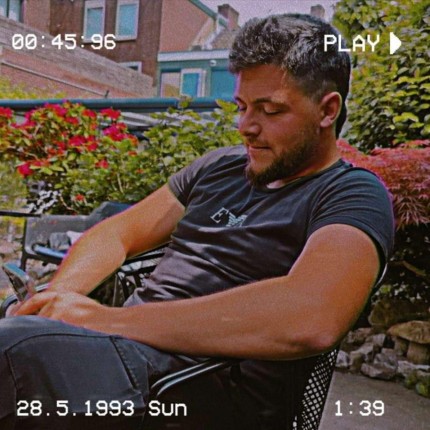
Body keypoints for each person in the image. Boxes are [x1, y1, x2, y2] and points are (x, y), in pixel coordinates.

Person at [0, 13, 394, 430]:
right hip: (124, 361)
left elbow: (310, 316)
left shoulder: (352, 195)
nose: (246, 126)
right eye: (242, 107)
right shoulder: (220, 168)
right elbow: (118, 233)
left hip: (201, 390)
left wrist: (98, 319)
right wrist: (55, 301)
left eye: (270, 110)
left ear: (327, 110)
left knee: (12, 354)